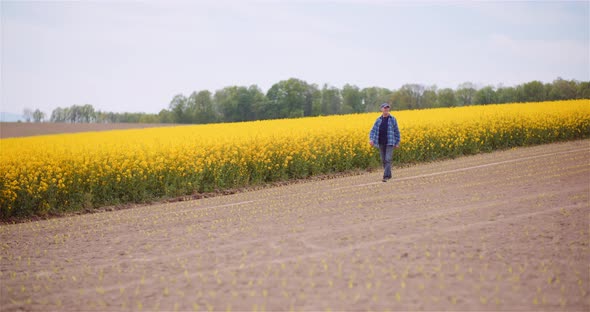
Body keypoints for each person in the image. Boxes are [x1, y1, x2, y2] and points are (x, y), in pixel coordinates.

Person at [369, 103, 401, 182]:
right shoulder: (378, 120)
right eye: (384, 108)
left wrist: (397, 142)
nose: (386, 109)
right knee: (383, 160)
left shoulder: (392, 119)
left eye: (387, 108)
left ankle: (385, 176)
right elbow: (373, 131)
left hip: (390, 142)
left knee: (388, 159)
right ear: (381, 109)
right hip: (380, 142)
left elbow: (397, 131)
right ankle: (389, 174)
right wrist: (371, 139)